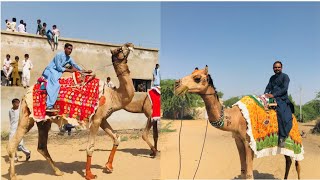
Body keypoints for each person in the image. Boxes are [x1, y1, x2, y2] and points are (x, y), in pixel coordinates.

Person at [41, 43, 92, 112]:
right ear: (64, 48)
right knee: (56, 85)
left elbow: (75, 65)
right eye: (68, 49)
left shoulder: (69, 58)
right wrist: (71, 70)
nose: (70, 51)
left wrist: (85, 71)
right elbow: (58, 67)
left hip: (58, 72)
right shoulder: (59, 55)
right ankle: (49, 106)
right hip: (51, 70)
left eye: (71, 49)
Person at [264, 61, 293, 147]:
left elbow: (284, 89)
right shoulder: (272, 78)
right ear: (273, 68)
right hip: (272, 99)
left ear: (281, 68)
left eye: (278, 67)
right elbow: (268, 87)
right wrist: (265, 94)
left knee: (281, 114)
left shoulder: (285, 77)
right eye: (275, 67)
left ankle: (282, 137)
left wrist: (273, 94)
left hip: (282, 99)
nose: (277, 69)